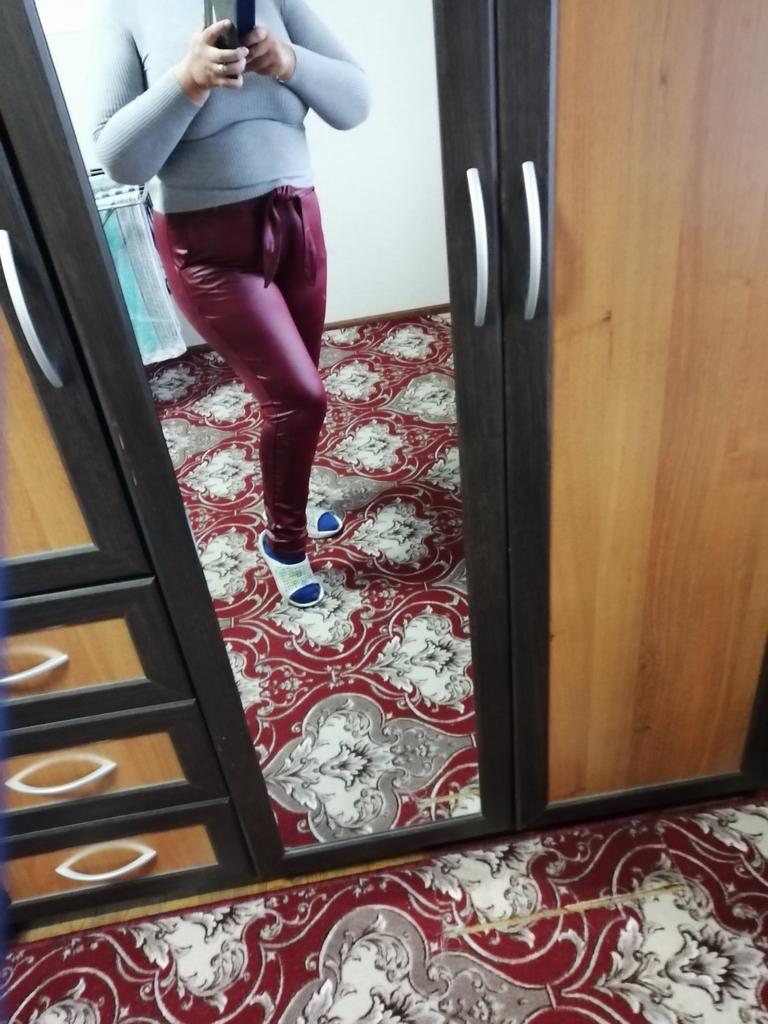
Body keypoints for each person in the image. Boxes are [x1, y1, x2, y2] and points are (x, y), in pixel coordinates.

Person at [92, 0, 371, 607]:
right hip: (208, 250)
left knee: (294, 396)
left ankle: (292, 495)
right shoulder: (128, 10)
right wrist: (186, 80)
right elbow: (118, 159)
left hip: (297, 224)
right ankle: (284, 542)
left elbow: (355, 103)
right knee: (298, 398)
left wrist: (290, 62)